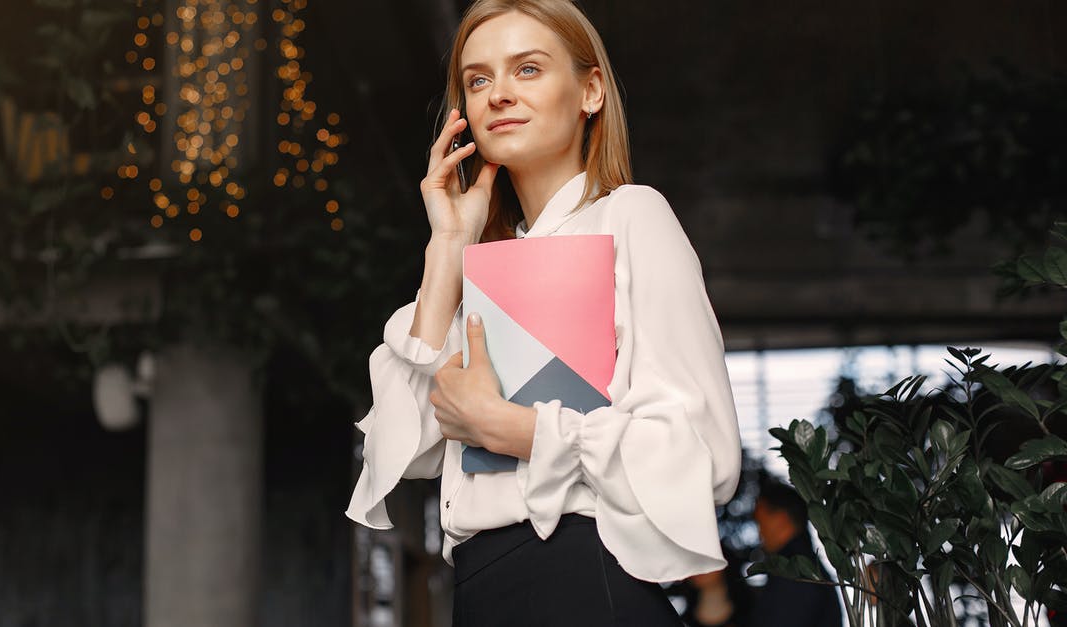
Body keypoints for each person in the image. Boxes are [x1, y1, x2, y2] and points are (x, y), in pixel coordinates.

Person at [344, 1, 742, 624]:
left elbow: (704, 457)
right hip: (484, 590)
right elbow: (401, 449)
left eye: (527, 69)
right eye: (478, 80)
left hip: (580, 579)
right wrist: (448, 246)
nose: (499, 94)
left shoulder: (630, 216)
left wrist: (514, 429)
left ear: (590, 90)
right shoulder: (481, 261)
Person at [749, 482, 842, 627]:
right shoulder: (808, 566)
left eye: (761, 522)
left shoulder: (793, 569)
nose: (760, 533)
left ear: (781, 519)